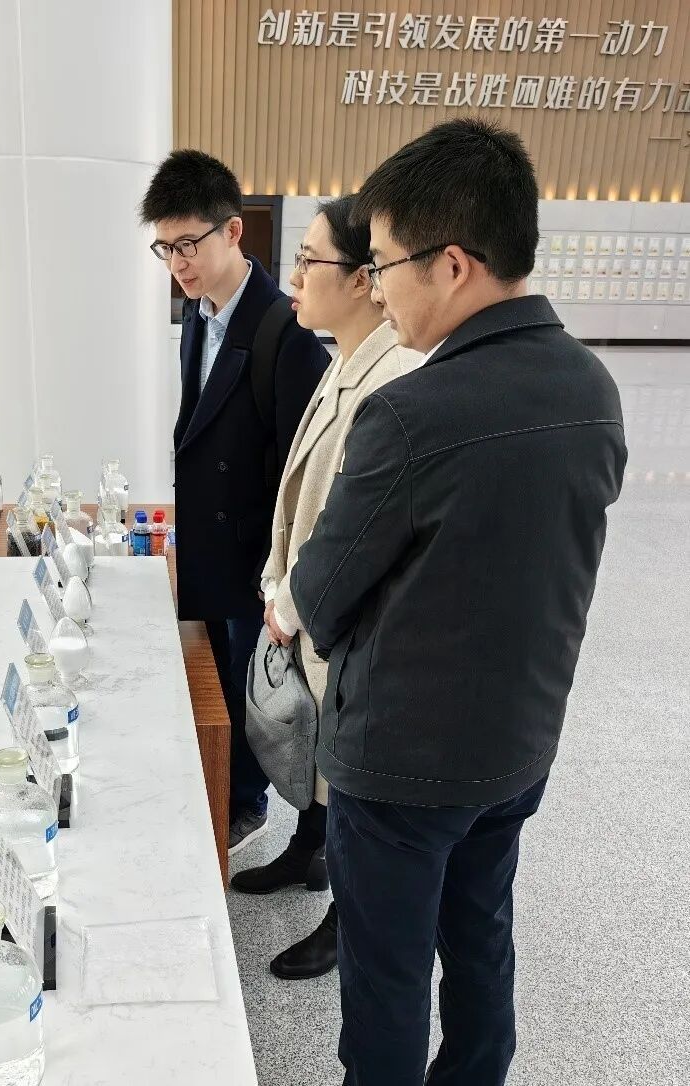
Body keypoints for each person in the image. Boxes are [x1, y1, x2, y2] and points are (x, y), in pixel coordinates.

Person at [290, 119, 627, 1086]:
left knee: (387, 981)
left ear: (451, 264)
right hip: (517, 745)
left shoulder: (412, 411)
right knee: (481, 944)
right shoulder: (592, 387)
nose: (377, 287)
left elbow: (319, 593)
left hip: (398, 766)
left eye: (384, 263)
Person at [230, 195, 419, 981]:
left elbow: (353, 530)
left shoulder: (393, 377)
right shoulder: (344, 356)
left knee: (343, 772)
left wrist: (291, 601)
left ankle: (347, 918)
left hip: (342, 622)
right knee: (315, 757)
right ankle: (308, 851)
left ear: (368, 278)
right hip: (307, 606)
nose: (295, 276)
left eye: (311, 261)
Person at [140, 150, 329, 854]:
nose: (178, 263)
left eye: (189, 244)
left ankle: (265, 815)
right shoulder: (198, 314)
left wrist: (282, 578)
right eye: (166, 247)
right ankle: (230, 792)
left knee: (264, 691)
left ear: (233, 232)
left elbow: (306, 472)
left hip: (259, 556)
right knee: (221, 678)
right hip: (213, 543)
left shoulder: (286, 329)